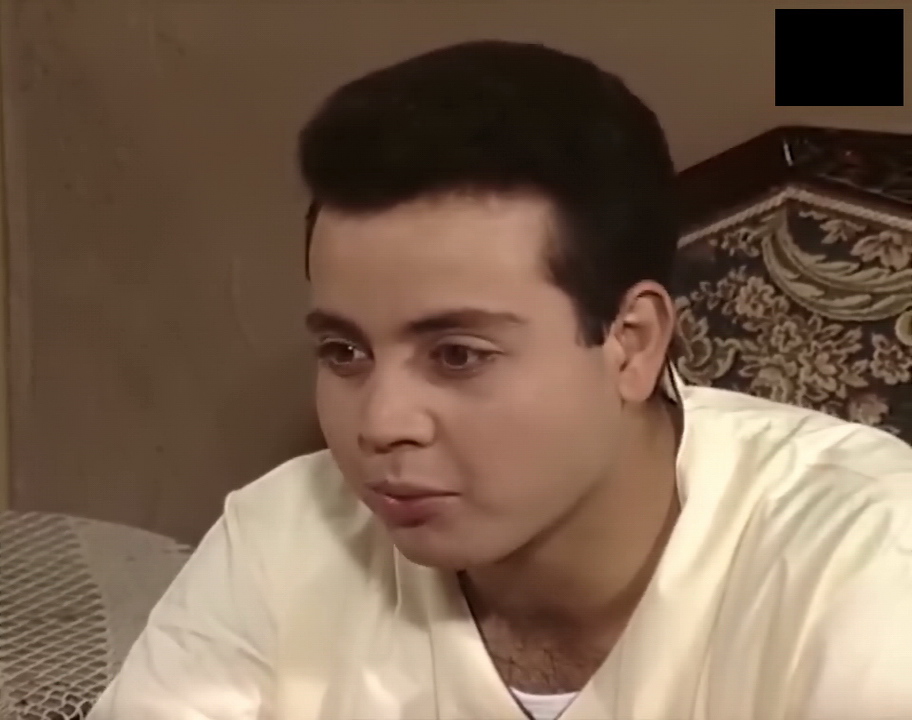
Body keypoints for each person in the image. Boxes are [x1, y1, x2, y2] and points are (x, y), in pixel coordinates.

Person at [88, 40, 912, 720]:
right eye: (344, 352)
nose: (381, 423)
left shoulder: (867, 564)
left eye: (458, 355)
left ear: (630, 345)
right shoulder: (283, 539)